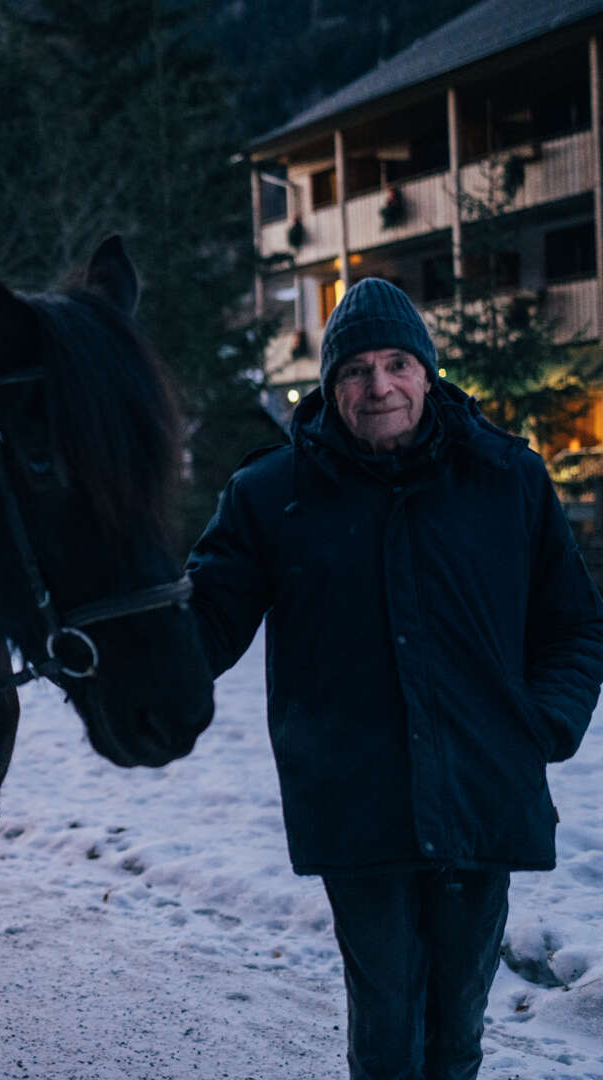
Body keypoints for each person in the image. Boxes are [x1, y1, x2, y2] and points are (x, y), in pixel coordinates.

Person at [185, 277, 603, 1080]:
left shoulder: (506, 479)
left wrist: (543, 722)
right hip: (356, 807)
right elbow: (201, 630)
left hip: (484, 794)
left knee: (457, 1032)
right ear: (331, 385)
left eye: (396, 365)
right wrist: (124, 643)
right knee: (387, 1034)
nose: (378, 386)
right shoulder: (272, 497)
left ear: (427, 373)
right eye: (355, 370)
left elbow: (576, 624)